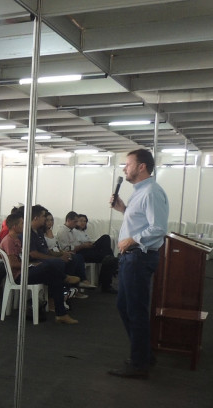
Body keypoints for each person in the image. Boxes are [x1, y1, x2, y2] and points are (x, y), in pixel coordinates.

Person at [108, 148, 169, 378]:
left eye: (128, 164)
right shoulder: (139, 191)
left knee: (135, 309)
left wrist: (131, 240)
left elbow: (158, 228)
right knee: (126, 307)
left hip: (138, 256)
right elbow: (141, 221)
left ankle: (139, 363)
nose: (125, 168)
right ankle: (144, 355)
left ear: (141, 166)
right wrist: (123, 209)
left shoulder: (151, 192)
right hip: (131, 257)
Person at [0, 210, 78, 325]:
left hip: (27, 271)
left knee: (55, 277)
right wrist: (32, 264)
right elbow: (13, 264)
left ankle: (61, 314)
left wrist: (33, 264)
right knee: (49, 264)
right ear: (15, 226)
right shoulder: (9, 241)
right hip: (20, 276)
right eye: (22, 223)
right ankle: (65, 278)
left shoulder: (18, 239)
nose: (24, 225)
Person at [28, 206, 93, 291]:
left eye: (51, 220)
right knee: (59, 262)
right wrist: (57, 257)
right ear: (36, 218)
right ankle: (66, 285)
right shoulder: (30, 232)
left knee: (71, 257)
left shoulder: (39, 232)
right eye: (45, 217)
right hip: (37, 260)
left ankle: (70, 288)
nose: (47, 221)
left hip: (50, 254)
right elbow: (34, 253)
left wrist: (62, 253)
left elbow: (49, 249)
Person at [57, 212, 118, 292]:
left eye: (85, 221)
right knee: (106, 242)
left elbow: (78, 243)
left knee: (107, 254)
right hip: (80, 251)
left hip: (85, 249)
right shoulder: (68, 231)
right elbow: (68, 247)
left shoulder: (75, 231)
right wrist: (83, 245)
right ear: (68, 220)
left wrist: (88, 244)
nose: (81, 223)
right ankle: (106, 282)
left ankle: (110, 265)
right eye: (78, 221)